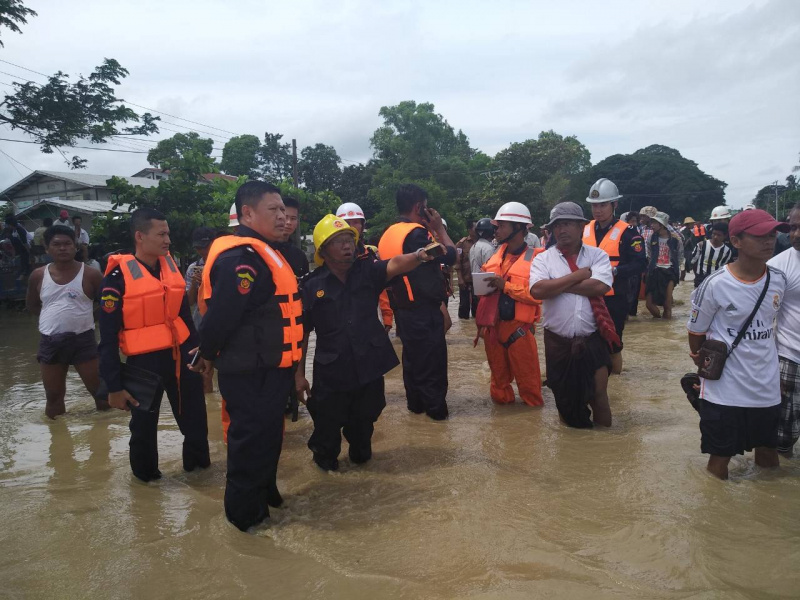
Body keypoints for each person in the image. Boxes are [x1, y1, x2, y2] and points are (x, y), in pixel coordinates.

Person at [196, 181, 302, 531]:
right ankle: (244, 521)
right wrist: (206, 356)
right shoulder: (239, 258)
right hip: (249, 371)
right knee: (249, 445)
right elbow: (221, 315)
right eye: (273, 209)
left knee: (269, 439)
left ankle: (265, 497)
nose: (282, 216)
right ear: (247, 213)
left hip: (272, 368)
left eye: (283, 209)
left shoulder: (265, 251)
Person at [297, 214, 434, 471]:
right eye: (339, 241)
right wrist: (298, 375)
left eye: (350, 239)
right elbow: (302, 334)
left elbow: (394, 264)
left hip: (367, 369)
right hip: (331, 373)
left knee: (363, 439)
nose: (347, 245)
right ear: (323, 250)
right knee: (326, 440)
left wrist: (419, 256)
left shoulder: (368, 271)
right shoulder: (311, 286)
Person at [98, 207, 210, 483]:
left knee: (195, 421)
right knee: (143, 428)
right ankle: (147, 485)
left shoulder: (171, 268)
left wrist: (200, 355)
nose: (168, 240)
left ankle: (200, 477)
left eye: (168, 233)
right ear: (140, 236)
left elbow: (184, 316)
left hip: (182, 355)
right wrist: (113, 387)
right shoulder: (116, 279)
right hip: (143, 363)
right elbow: (108, 339)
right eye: (161, 234)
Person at [688, 209, 789, 479]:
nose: (769, 241)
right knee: (720, 457)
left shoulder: (779, 280)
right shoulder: (715, 285)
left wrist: (774, 376)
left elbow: (774, 328)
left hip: (766, 387)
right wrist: (702, 364)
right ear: (737, 241)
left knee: (768, 453)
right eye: (759, 236)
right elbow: (696, 333)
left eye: (772, 234)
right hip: (725, 388)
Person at [529, 202, 618, 428]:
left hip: (592, 337)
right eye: (557, 225)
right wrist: (578, 276)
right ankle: (571, 453)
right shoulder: (542, 259)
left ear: (581, 227)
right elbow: (538, 290)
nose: (561, 230)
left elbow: (599, 287)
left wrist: (557, 285)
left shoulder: (597, 256)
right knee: (564, 400)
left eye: (567, 224)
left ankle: (604, 449)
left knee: (599, 395)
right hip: (558, 342)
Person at [377, 184, 457, 421]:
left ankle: (416, 407)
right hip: (423, 311)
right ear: (418, 207)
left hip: (403, 310)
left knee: (412, 362)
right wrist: (439, 228)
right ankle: (437, 415)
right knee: (432, 365)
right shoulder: (417, 234)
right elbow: (451, 255)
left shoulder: (387, 233)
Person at [25, 225, 108, 419]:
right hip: (50, 342)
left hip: (83, 341)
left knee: (101, 393)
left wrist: (87, 319)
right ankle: (58, 443)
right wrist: (54, 321)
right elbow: (33, 306)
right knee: (53, 397)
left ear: (76, 247)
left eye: (67, 244)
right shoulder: (38, 275)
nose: (62, 248)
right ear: (47, 248)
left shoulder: (91, 275)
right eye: (56, 244)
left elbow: (108, 305)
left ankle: (105, 437)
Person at [479, 202, 543, 406]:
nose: (495, 230)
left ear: (519, 228)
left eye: (501, 226)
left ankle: (531, 431)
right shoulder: (493, 258)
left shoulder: (538, 259)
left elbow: (538, 297)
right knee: (498, 388)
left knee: (530, 389)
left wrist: (505, 286)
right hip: (493, 331)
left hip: (519, 331)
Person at [582, 178, 646, 373]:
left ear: (614, 204)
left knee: (613, 342)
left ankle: (616, 385)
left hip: (615, 297)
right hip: (586, 295)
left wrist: (616, 271)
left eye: (602, 205)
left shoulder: (628, 233)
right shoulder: (584, 229)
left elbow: (640, 263)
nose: (597, 210)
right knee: (586, 341)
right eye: (594, 205)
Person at [767, 205, 800, 457]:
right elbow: (762, 317)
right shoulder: (777, 266)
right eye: (792, 227)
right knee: (781, 437)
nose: (796, 234)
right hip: (790, 357)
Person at [336, 202, 394, 330]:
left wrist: (387, 318)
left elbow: (381, 287)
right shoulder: (330, 256)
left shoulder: (369, 255)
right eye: (347, 222)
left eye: (356, 222)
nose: (352, 226)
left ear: (362, 225)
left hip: (367, 322)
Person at [645, 212, 681, 319]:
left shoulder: (675, 240)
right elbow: (649, 254)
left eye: (655, 223)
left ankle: (666, 328)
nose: (652, 225)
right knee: (649, 304)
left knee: (667, 305)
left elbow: (680, 256)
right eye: (652, 222)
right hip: (654, 271)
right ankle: (659, 324)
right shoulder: (651, 238)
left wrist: (676, 269)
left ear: (662, 225)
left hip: (670, 272)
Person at [690, 222, 733, 288]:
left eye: (719, 235)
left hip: (716, 281)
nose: (715, 237)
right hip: (700, 279)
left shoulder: (727, 251)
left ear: (725, 236)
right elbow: (693, 261)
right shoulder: (701, 245)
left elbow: (724, 267)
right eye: (714, 234)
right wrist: (697, 275)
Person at [279, 196, 310, 279]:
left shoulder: (299, 256)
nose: (289, 222)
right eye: (286, 217)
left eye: (293, 218)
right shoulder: (266, 249)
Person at [455, 220, 479, 319]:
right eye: (475, 228)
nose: (478, 230)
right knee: (464, 306)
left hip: (477, 280)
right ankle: (463, 327)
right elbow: (457, 262)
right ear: (469, 230)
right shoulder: (462, 244)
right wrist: (460, 278)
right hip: (465, 279)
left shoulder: (482, 243)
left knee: (477, 307)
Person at [3, 215, 31, 279]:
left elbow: (25, 243)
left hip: (26, 247)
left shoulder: (20, 230)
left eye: (7, 225)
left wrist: (29, 252)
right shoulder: (13, 230)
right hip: (21, 248)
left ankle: (24, 274)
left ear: (10, 224)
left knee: (25, 261)